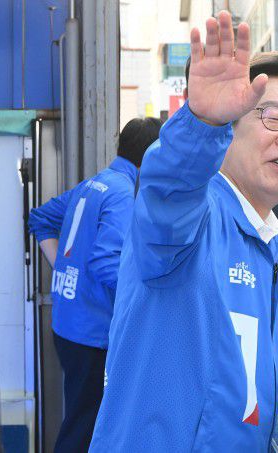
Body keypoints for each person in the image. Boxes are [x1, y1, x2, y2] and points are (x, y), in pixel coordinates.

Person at [89, 13, 278, 451]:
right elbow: (169, 188)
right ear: (229, 126)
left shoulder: (272, 246)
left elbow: (246, 353)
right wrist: (201, 124)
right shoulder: (192, 216)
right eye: (273, 117)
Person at [27, 117, 162, 452]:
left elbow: (40, 217)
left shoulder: (95, 183)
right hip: (91, 333)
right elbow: (106, 263)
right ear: (151, 157)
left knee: (80, 419)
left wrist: (63, 268)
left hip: (68, 324)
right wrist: (146, 304)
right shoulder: (123, 194)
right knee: (84, 430)